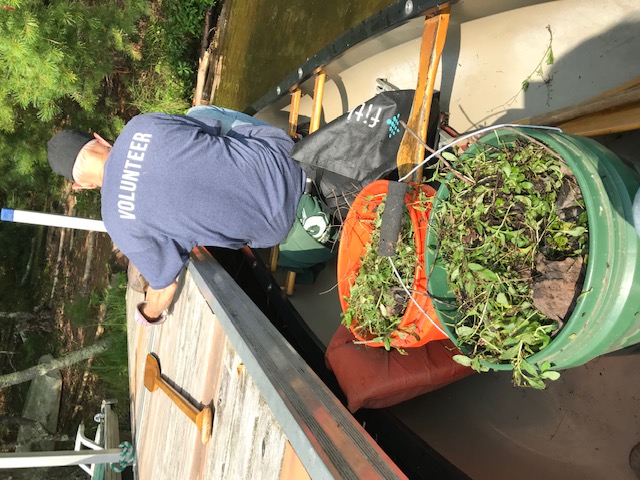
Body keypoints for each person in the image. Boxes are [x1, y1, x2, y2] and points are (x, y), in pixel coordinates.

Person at [47, 106, 307, 326]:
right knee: (200, 113)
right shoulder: (141, 125)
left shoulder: (117, 223)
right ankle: (295, 139)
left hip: (275, 226)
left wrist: (147, 315)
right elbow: (211, 130)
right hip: (286, 158)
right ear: (100, 139)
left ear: (82, 186)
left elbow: (164, 287)